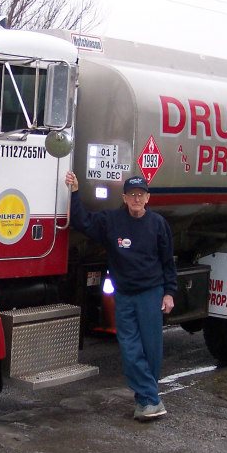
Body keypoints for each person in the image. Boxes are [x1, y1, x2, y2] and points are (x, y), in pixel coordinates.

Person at [66, 171, 177, 421]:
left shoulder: (158, 224)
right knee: (129, 349)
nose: (136, 199)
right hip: (125, 295)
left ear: (147, 198)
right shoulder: (111, 221)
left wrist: (169, 293)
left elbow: (168, 262)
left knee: (151, 350)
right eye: (132, 195)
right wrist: (75, 192)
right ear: (124, 197)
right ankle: (152, 399)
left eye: (141, 195)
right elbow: (82, 222)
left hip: (151, 294)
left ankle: (145, 401)